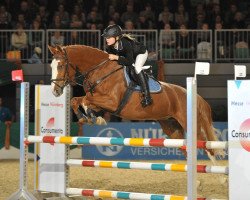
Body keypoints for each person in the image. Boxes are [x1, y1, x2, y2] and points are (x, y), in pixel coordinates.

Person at [102, 24, 153, 107]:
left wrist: (116, 57)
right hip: (129, 57)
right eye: (106, 37)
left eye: (108, 37)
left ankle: (147, 96)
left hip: (140, 53)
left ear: (117, 37)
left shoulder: (126, 43)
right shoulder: (110, 47)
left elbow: (129, 61)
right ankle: (144, 69)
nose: (106, 39)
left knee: (137, 67)